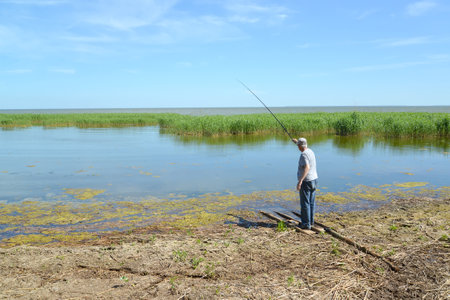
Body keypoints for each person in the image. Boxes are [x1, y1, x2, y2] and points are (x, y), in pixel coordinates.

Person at [292, 137, 318, 230]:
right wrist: (296, 142)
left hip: (306, 181)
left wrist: (300, 181)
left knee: (305, 203)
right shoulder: (310, 151)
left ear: (300, 146)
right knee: (311, 202)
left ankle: (306, 224)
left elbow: (307, 167)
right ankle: (311, 222)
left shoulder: (303, 155)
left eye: (298, 145)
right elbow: (302, 146)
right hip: (314, 180)